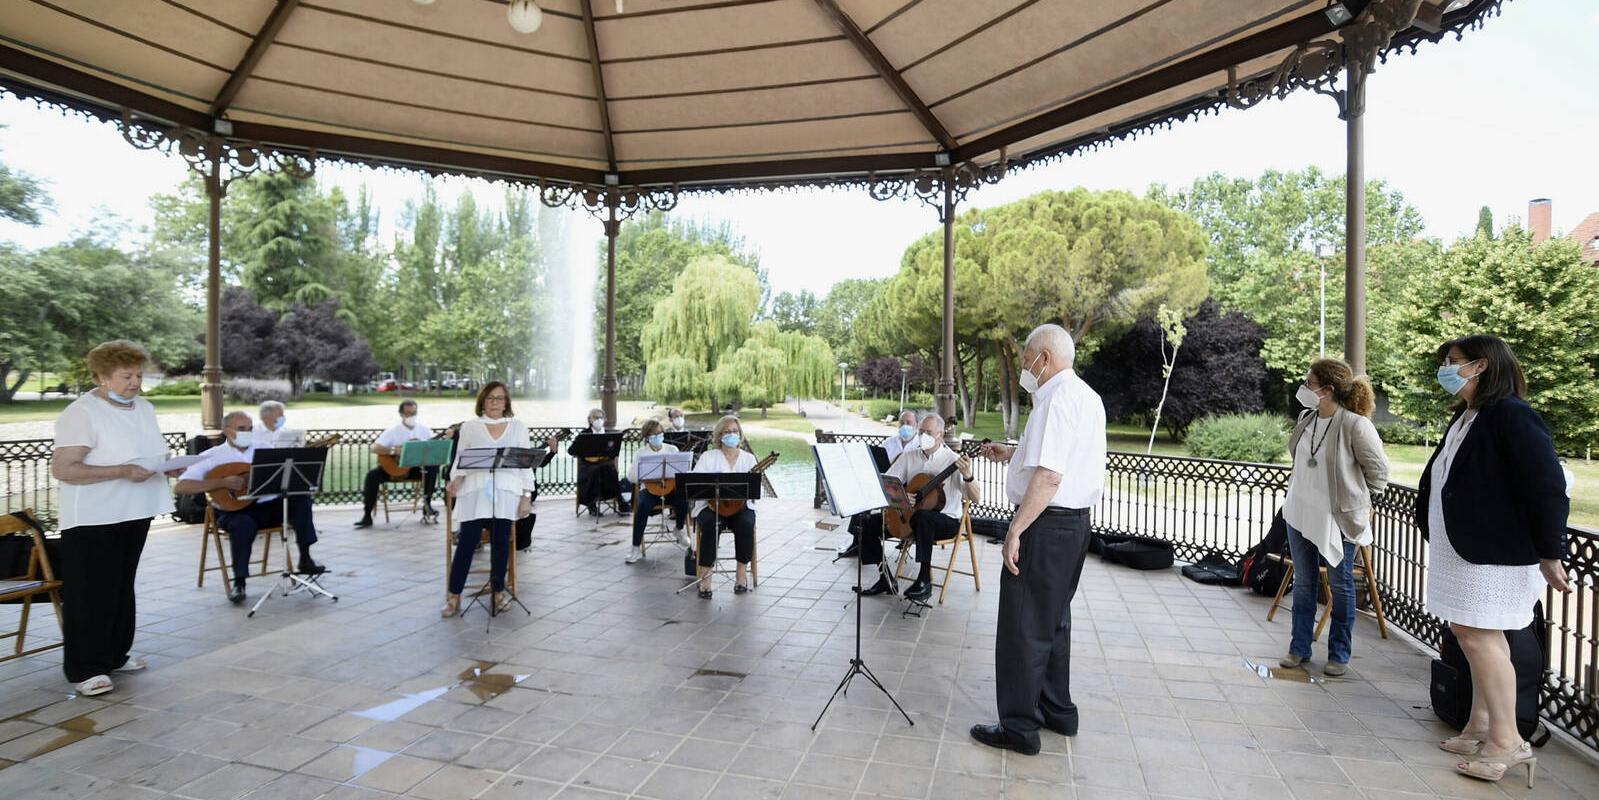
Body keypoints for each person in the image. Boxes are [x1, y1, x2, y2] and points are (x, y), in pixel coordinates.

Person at [1416, 335, 1570, 787]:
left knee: (1477, 634)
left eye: (1454, 361)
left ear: (1481, 366)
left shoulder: (1512, 415)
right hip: (1463, 551)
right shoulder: (1469, 416)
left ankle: (1509, 741)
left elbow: (1547, 486)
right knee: (1475, 636)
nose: (1446, 367)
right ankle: (1481, 725)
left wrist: (1551, 551)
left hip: (1494, 554)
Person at [971, 324, 1105, 756]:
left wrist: (1015, 529)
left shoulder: (1055, 402)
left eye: (1027, 357)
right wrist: (1014, 453)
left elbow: (1050, 476)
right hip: (1074, 525)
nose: (1023, 365)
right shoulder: (1086, 396)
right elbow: (1059, 455)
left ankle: (1018, 728)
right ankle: (1057, 711)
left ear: (1044, 359)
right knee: (1052, 622)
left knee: (1023, 627)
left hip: (1045, 526)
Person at [49, 340, 176, 697]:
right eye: (126, 376)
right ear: (102, 377)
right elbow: (64, 468)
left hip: (135, 511)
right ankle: (84, 668)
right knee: (90, 592)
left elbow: (147, 452)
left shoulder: (145, 408)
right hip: (93, 516)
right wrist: (122, 470)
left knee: (120, 587)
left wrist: (164, 467)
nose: (135, 382)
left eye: (138, 375)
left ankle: (115, 654)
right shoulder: (82, 412)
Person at [1277, 358, 1390, 677]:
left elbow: (1379, 472)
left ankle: (1339, 653)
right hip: (1299, 513)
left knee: (1341, 585)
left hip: (1337, 519)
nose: (1304, 388)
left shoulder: (1355, 424)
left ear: (1326, 390)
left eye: (1309, 383)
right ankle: (1299, 648)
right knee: (1304, 583)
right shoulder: (1306, 417)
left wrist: (1358, 499)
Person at [176, 412, 329, 604]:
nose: (247, 433)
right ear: (226, 431)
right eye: (241, 429)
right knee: (242, 524)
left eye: (250, 429)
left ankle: (305, 557)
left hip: (267, 507)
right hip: (234, 510)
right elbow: (181, 486)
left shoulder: (264, 449)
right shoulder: (211, 456)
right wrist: (221, 482)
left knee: (301, 498)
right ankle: (239, 582)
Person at [859, 414, 979, 600]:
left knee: (923, 517)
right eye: (921, 432)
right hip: (912, 518)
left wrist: (968, 476)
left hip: (947, 521)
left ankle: (924, 581)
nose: (924, 436)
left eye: (928, 432)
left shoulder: (953, 460)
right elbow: (886, 484)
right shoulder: (909, 457)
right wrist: (902, 497)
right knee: (866, 522)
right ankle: (885, 578)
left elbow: (976, 498)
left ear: (940, 435)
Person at [442, 382, 535, 617]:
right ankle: (454, 596)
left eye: (500, 398)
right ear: (482, 401)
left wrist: (526, 496)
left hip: (505, 492)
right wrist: (456, 481)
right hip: (475, 492)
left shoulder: (518, 427)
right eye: (491, 398)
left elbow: (525, 466)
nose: (495, 402)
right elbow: (460, 462)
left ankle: (498, 593)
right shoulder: (470, 427)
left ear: (507, 402)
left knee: (501, 544)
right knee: (466, 543)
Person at [690, 415, 758, 598]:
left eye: (735, 431)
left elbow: (754, 493)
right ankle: (706, 577)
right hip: (710, 507)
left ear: (740, 434)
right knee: (711, 524)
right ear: (719, 435)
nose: (732, 435)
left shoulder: (749, 459)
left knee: (746, 523)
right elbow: (695, 486)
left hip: (741, 508)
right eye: (727, 432)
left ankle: (741, 573)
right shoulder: (708, 457)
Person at [838, 410, 919, 559]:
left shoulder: (919, 446)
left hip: (905, 489)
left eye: (909, 423)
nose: (905, 426)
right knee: (863, 496)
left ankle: (867, 541)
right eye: (902, 423)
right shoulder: (889, 443)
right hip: (886, 484)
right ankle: (857, 542)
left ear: (916, 425)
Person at [354, 399, 440, 527]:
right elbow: (375, 448)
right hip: (393, 468)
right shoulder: (393, 431)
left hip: (415, 469)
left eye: (414, 413)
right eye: (408, 413)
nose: (411, 416)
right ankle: (367, 515)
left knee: (432, 467)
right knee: (372, 476)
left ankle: (427, 508)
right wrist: (395, 451)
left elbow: (433, 449)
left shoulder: (424, 430)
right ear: (401, 414)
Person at [627, 418, 688, 563]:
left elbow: (681, 472)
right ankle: (635, 546)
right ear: (647, 437)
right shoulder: (641, 453)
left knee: (683, 497)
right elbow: (631, 476)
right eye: (653, 435)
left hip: (670, 489)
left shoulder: (672, 450)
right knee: (642, 505)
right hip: (650, 490)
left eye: (660, 433)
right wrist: (649, 476)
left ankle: (679, 528)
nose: (657, 437)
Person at [573, 408, 629, 516]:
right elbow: (572, 451)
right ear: (590, 420)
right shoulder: (584, 434)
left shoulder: (609, 434)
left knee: (610, 470)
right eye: (595, 417)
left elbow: (614, 452)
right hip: (588, 466)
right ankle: (591, 504)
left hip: (604, 464)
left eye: (601, 417)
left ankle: (621, 502)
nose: (598, 420)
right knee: (596, 471)